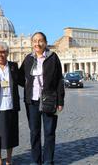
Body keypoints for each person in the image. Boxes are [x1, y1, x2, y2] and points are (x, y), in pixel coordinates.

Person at [19, 32, 65, 164]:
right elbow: (20, 77)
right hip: (32, 101)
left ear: (45, 42)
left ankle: (48, 161)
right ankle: (35, 160)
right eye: (34, 41)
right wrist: (28, 86)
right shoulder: (28, 59)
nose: (37, 44)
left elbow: (59, 80)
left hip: (49, 99)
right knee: (34, 132)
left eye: (40, 41)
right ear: (32, 43)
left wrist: (60, 101)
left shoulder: (53, 57)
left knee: (49, 132)